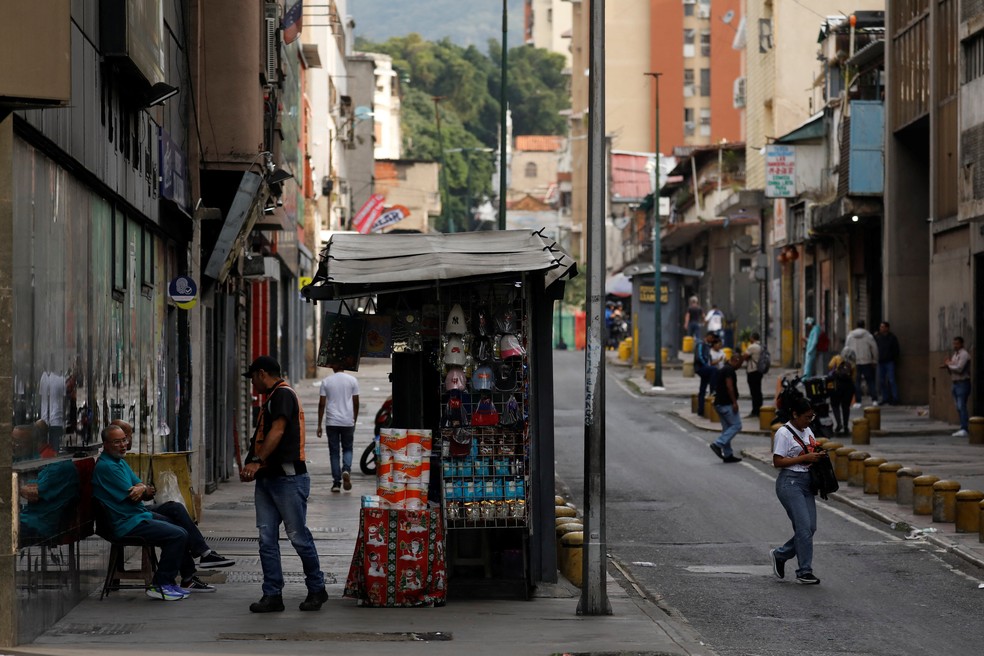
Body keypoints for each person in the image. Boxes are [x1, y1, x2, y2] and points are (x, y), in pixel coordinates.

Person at [92, 425, 235, 600]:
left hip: (136, 514)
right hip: (127, 521)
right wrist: (142, 489)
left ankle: (199, 562)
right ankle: (161, 584)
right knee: (178, 534)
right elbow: (136, 496)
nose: (123, 445)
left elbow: (143, 488)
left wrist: (142, 488)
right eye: (117, 442)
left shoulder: (119, 461)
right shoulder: (108, 467)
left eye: (124, 440)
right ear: (105, 444)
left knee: (175, 511)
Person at [240, 355, 328, 613]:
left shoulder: (282, 395)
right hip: (268, 479)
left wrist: (256, 460)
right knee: (266, 538)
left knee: (298, 537)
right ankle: (272, 594)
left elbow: (277, 431)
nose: (252, 384)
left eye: (253, 378)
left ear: (261, 373)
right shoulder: (272, 397)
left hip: (288, 479)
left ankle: (316, 588)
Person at [770, 396, 825, 585]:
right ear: (795, 414)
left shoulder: (808, 430)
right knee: (803, 528)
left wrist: (818, 455)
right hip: (789, 483)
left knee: (810, 528)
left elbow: (809, 451)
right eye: (806, 417)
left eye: (812, 417)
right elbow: (778, 462)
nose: (809, 421)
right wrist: (804, 458)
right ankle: (804, 571)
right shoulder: (783, 433)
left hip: (807, 482)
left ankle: (780, 554)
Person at [317, 364, 360, 493]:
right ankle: (346, 470)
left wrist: (319, 424)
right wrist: (354, 419)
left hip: (332, 421)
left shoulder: (326, 381)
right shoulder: (352, 380)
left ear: (332, 367)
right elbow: (356, 402)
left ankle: (336, 483)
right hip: (347, 420)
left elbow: (322, 404)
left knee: (334, 452)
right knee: (347, 448)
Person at [709, 353, 744, 463]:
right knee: (737, 425)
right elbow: (730, 387)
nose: (740, 366)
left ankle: (728, 454)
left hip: (719, 403)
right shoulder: (729, 370)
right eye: (740, 364)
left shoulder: (724, 368)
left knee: (727, 428)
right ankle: (718, 444)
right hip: (726, 403)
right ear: (735, 360)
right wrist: (734, 402)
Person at [942, 336, 971, 438]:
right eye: (954, 344)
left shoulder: (964, 354)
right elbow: (953, 366)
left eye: (957, 344)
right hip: (955, 383)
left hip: (963, 383)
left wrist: (949, 365)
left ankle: (965, 428)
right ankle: (962, 427)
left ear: (961, 344)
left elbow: (959, 368)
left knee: (961, 405)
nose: (955, 346)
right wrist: (948, 365)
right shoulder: (955, 355)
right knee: (958, 407)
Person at [845, 320, 879, 408]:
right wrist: (874, 360)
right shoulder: (868, 336)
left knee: (856, 381)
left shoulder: (850, 336)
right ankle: (874, 400)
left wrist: (847, 361)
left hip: (854, 362)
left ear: (856, 325)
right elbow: (874, 348)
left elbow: (846, 349)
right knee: (870, 381)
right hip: (866, 361)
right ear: (864, 326)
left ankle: (858, 401)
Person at [826, 352, 855, 435]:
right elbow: (854, 376)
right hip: (848, 386)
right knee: (846, 407)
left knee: (835, 406)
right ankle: (846, 426)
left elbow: (830, 366)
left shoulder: (836, 358)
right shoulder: (852, 362)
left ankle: (839, 424)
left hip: (837, 386)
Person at [874, 321, 900, 405]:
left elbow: (896, 349)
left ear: (887, 328)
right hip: (881, 361)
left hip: (889, 361)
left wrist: (894, 359)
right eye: (880, 327)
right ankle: (885, 398)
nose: (881, 328)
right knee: (881, 381)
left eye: (883, 327)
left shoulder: (892, 338)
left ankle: (895, 398)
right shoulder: (878, 338)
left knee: (891, 380)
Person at [695, 332, 717, 417]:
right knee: (714, 370)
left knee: (703, 388)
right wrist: (706, 365)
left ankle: (701, 409)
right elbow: (699, 356)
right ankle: (713, 389)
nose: (712, 340)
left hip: (705, 367)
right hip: (700, 367)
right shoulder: (701, 344)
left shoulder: (707, 346)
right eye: (711, 338)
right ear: (708, 337)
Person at [743, 332, 764, 418]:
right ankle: (760, 409)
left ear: (752, 338)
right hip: (759, 371)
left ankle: (755, 411)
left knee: (754, 392)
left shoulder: (752, 347)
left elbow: (744, 356)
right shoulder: (761, 346)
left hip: (752, 371)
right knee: (758, 391)